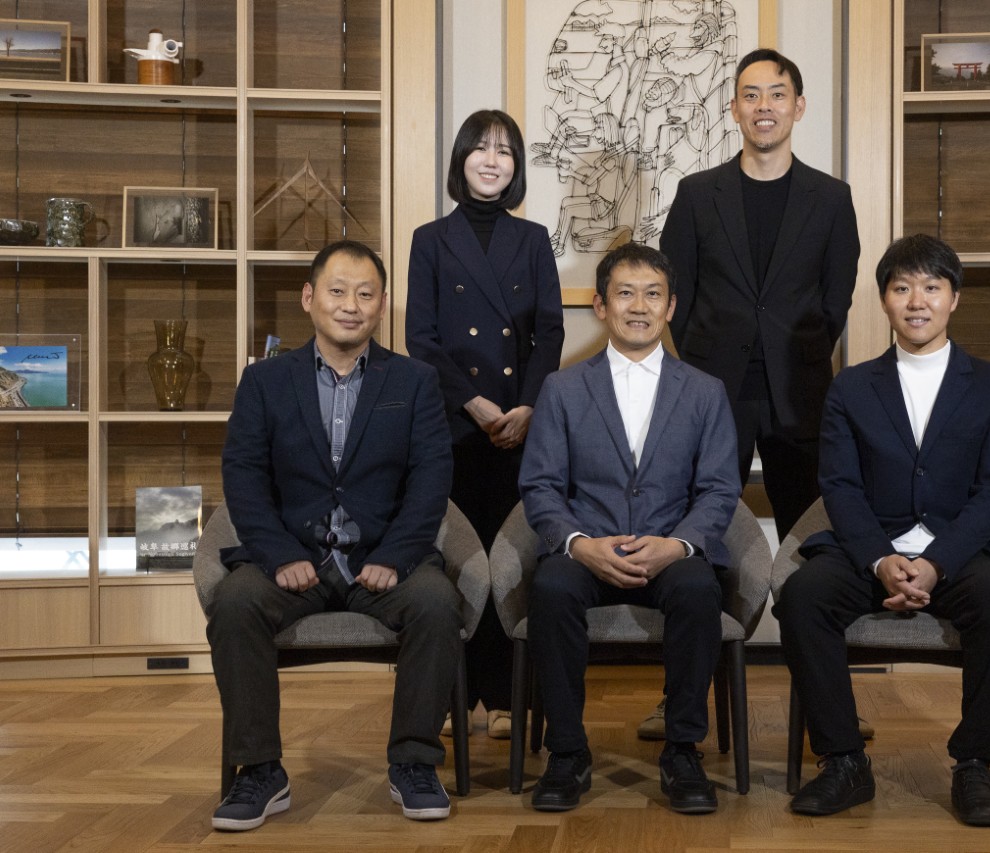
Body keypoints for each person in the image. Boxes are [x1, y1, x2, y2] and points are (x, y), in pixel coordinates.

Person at [773, 234, 990, 827]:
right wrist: (879, 559)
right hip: (870, 550)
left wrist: (937, 562)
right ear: (885, 300)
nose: (917, 301)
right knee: (804, 597)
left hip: (959, 553)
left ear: (954, 298)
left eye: (932, 287)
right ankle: (844, 761)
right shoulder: (851, 386)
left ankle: (975, 765)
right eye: (902, 287)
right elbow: (840, 486)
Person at [209, 240, 459, 830]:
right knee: (235, 601)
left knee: (437, 602)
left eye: (365, 294)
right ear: (309, 298)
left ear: (382, 304)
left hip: (382, 561)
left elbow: (431, 479)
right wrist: (278, 555)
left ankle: (414, 764)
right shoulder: (264, 381)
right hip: (293, 560)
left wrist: (396, 556)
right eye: (338, 291)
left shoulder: (416, 381)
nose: (351, 305)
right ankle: (260, 771)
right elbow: (243, 476)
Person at [518, 243, 740, 814]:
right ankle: (568, 752)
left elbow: (720, 489)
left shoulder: (706, 391)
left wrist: (679, 545)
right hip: (588, 548)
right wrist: (579, 545)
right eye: (624, 294)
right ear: (601, 306)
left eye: (652, 295)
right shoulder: (562, 389)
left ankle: (682, 750)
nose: (638, 307)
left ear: (670, 308)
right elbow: (540, 486)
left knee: (698, 589)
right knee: (551, 587)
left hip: (670, 549)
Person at [407, 109, 564, 740]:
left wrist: (528, 405)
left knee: (510, 562)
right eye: (481, 148)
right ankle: (455, 696)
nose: (492, 160)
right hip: (454, 424)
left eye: (504, 150)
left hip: (519, 426)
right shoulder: (429, 239)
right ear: (461, 159)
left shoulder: (533, 238)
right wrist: (472, 402)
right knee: (456, 563)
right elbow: (421, 338)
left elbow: (550, 331)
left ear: (516, 166)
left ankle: (505, 698)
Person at [659, 47, 860, 543]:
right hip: (714, 383)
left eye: (777, 95)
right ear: (734, 109)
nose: (763, 106)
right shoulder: (697, 194)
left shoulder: (831, 198)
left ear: (798, 106)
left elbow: (837, 296)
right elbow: (674, 291)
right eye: (750, 96)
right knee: (704, 526)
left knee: (807, 532)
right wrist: (701, 354)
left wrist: (805, 348)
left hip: (799, 385)